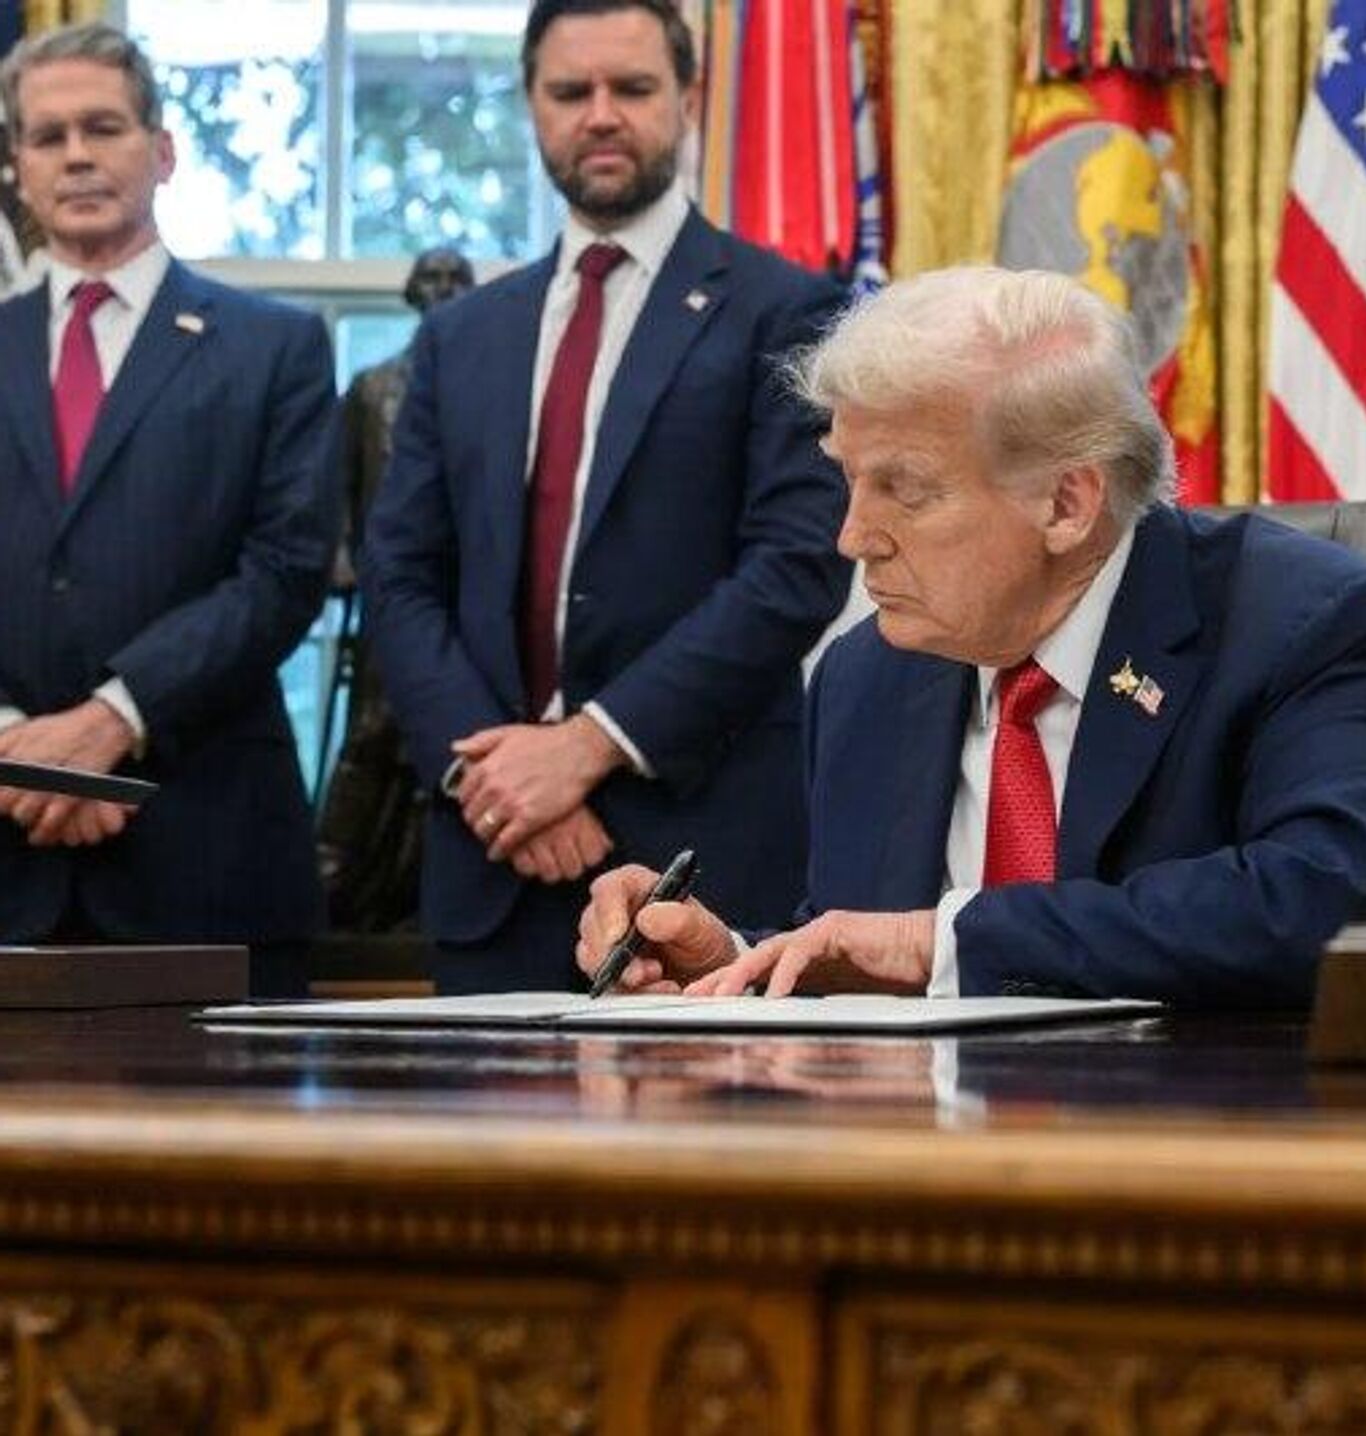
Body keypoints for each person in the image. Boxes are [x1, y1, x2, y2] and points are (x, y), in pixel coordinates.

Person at [575, 266, 1366, 1008]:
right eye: (849, 480)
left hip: (1211, 1135)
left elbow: (1335, 906)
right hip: (932, 1142)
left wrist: (951, 939)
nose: (852, 537)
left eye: (904, 490)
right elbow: (873, 952)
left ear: (1066, 503)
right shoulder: (865, 676)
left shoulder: (1299, 622)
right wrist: (732, 961)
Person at [361, 0, 851, 992]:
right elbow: (399, 576)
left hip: (700, 871)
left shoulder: (788, 309)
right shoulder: (460, 337)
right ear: (531, 104)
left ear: (689, 98)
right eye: (569, 91)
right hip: (491, 859)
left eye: (631, 88)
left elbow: (796, 565)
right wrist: (496, 780)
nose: (600, 115)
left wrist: (587, 747)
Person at [0, 23, 338, 993]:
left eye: (102, 127)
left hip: (206, 859)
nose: (76, 155)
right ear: (17, 168)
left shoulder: (275, 347)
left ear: (163, 150)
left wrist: (113, 718)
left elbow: (285, 571)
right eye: (48, 135)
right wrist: (16, 745)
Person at [318, 246, 476, 935]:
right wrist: (341, 560)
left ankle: (420, 886)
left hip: (462, 602)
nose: (443, 289)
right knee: (372, 732)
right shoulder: (370, 386)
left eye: (456, 279)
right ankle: (331, 875)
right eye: (431, 279)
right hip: (386, 595)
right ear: (413, 292)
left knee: (448, 741)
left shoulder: (485, 387)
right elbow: (339, 486)